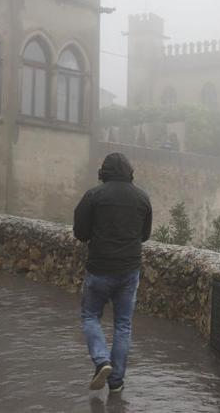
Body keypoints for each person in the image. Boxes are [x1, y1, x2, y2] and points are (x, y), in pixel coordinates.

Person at [73, 152, 152, 393]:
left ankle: (101, 360)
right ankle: (116, 381)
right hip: (129, 270)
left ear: (103, 172)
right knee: (123, 325)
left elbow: (81, 233)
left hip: (99, 268)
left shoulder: (94, 195)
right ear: (129, 171)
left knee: (90, 316)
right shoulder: (142, 198)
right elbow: (145, 235)